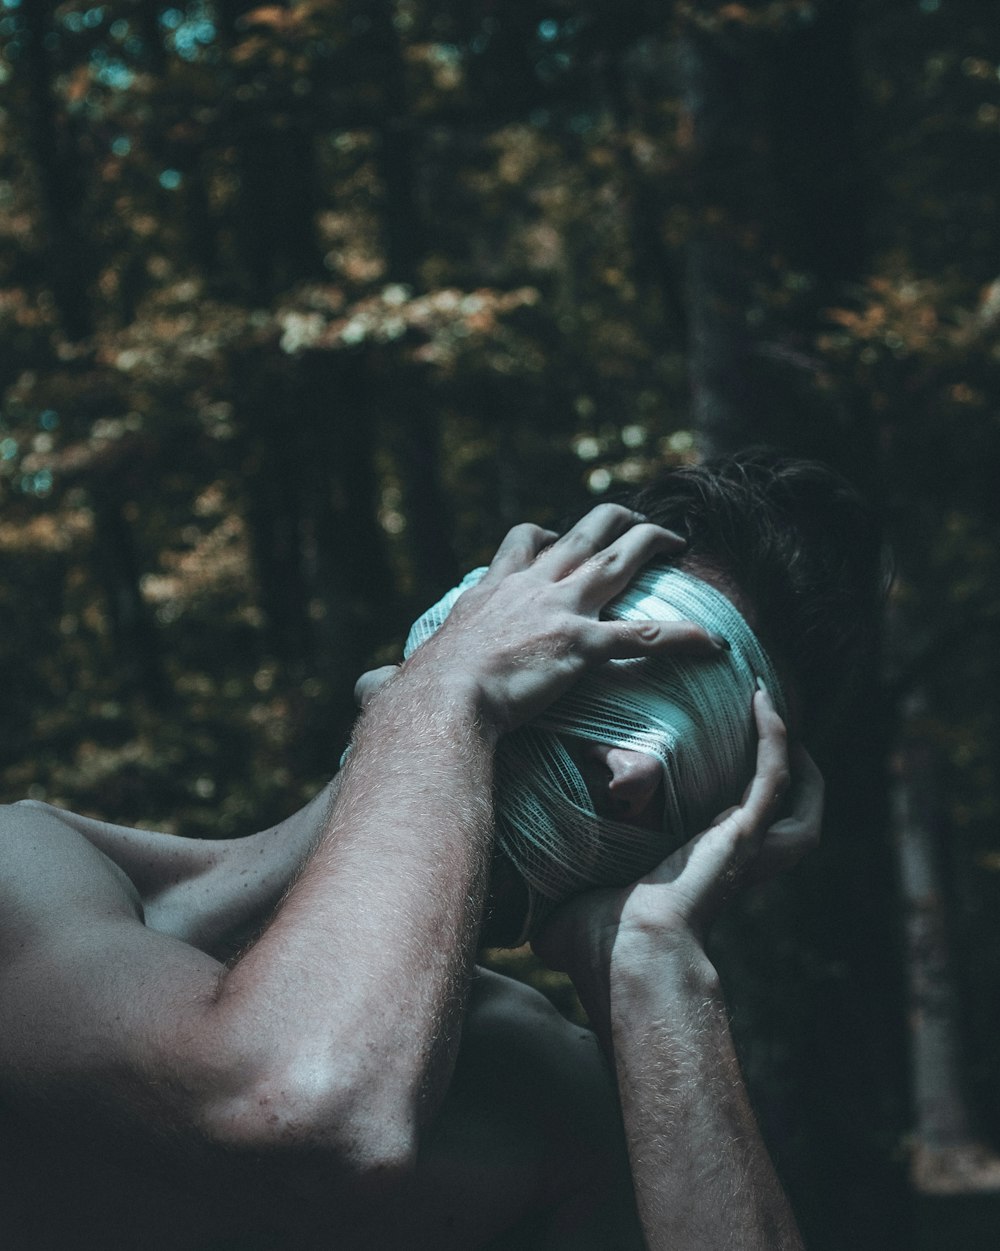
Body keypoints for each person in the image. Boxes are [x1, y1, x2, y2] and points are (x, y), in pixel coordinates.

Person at [0, 451, 878, 1249]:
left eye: (696, 779)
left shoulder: (549, 1088)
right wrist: (448, 691)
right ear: (492, 629)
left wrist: (654, 966)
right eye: (631, 684)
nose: (636, 776)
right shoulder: (32, 869)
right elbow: (300, 1111)